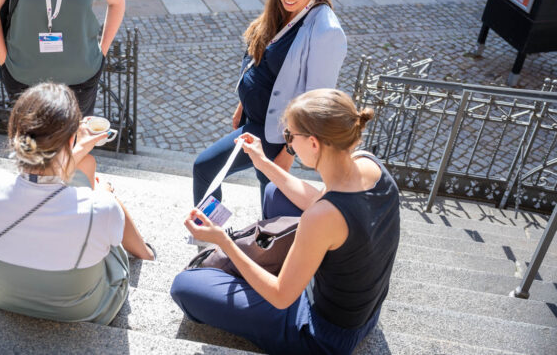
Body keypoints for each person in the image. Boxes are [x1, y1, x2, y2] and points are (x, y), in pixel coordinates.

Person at [171, 89, 400, 355]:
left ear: (313, 143)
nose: (287, 141)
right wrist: (263, 162)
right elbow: (321, 201)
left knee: (184, 286)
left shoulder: (322, 217)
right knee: (274, 192)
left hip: (322, 335)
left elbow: (281, 296)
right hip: (366, 310)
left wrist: (222, 239)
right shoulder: (368, 163)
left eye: (290, 136)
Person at [0, 82, 154, 325]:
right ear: (69, 140)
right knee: (109, 238)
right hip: (84, 311)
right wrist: (104, 195)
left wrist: (81, 146)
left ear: (15, 135)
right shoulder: (102, 207)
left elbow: (39, 179)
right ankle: (147, 254)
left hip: (2, 297)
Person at [192, 0, 346, 216]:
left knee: (206, 167)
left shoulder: (326, 31)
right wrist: (243, 104)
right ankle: (261, 243)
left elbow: (316, 103)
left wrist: (289, 152)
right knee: (270, 194)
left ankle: (213, 232)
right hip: (256, 118)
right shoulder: (284, 11)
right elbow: (259, 60)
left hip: (275, 131)